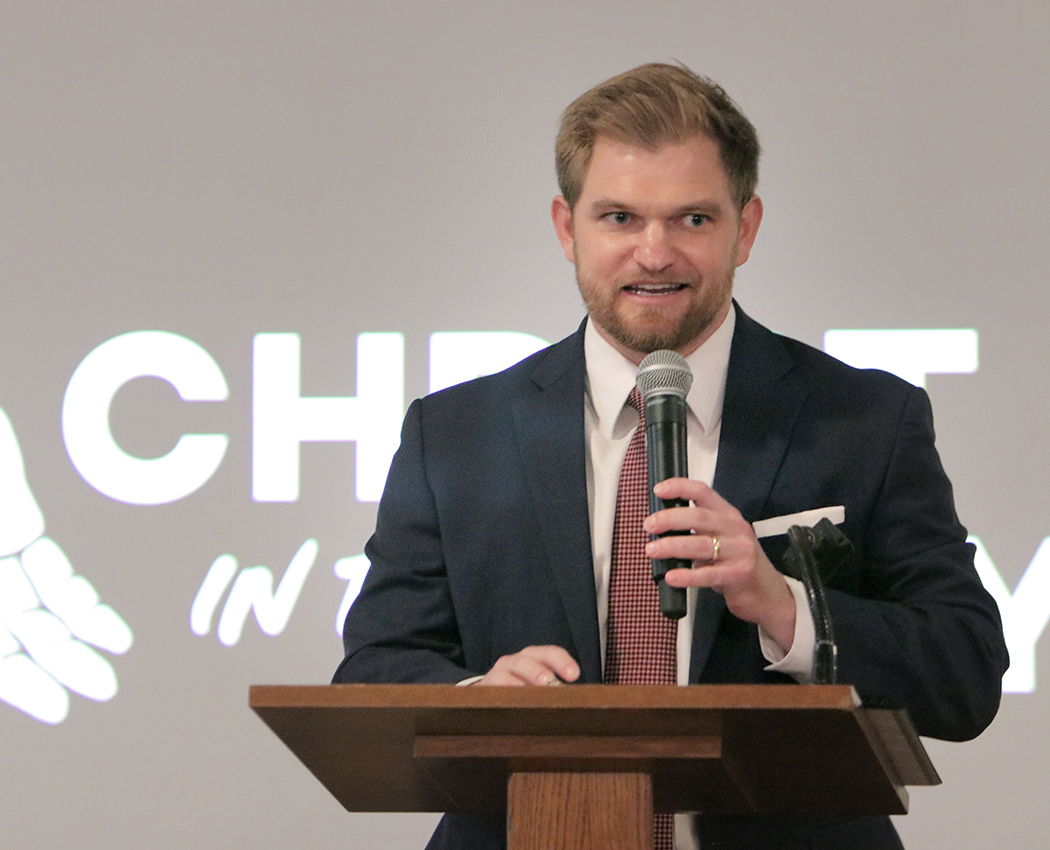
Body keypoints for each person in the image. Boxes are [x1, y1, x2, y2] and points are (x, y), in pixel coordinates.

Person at [332, 63, 1007, 850]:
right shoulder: (454, 432)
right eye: (620, 217)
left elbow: (964, 674)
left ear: (745, 229)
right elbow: (377, 664)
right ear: (567, 228)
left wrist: (785, 605)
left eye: (692, 219)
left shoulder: (865, 421)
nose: (654, 254)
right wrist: (480, 698)